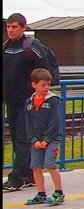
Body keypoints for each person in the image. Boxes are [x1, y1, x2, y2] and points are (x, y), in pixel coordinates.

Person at [4, 13, 56, 192]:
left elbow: (44, 73)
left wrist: (38, 96)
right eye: (8, 27)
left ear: (24, 28)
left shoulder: (32, 47)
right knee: (20, 137)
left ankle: (17, 178)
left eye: (14, 27)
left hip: (27, 102)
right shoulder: (6, 47)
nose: (10, 30)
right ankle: (28, 175)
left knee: (22, 139)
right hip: (11, 100)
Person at [22, 67, 65, 206]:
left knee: (50, 165)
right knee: (35, 166)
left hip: (51, 139)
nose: (47, 87)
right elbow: (28, 123)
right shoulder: (29, 102)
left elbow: (55, 123)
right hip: (37, 141)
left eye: (48, 84)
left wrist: (46, 140)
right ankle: (40, 193)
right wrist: (33, 140)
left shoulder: (52, 101)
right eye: (43, 85)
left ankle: (59, 192)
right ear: (34, 85)